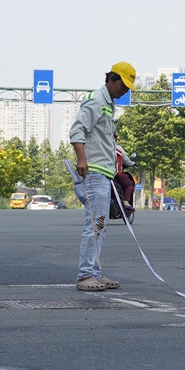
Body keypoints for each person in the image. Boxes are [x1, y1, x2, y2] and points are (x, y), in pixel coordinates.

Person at [69, 61, 136, 292]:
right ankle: (85, 275)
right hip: (94, 172)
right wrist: (81, 160)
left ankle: (95, 273)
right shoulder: (96, 100)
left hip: (104, 173)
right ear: (111, 79)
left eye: (128, 88)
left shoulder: (109, 104)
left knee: (101, 225)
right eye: (123, 85)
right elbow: (77, 131)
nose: (124, 91)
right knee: (95, 224)